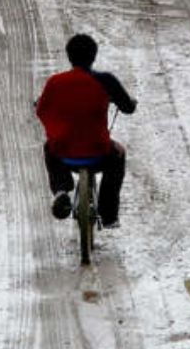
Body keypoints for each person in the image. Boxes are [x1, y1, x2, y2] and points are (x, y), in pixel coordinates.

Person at [36, 34, 137, 228]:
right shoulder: (105, 80)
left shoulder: (55, 82)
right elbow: (127, 108)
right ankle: (108, 216)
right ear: (94, 56)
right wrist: (129, 103)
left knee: (49, 147)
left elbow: (42, 110)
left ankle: (61, 190)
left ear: (69, 56)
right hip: (99, 152)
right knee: (119, 154)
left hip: (64, 153)